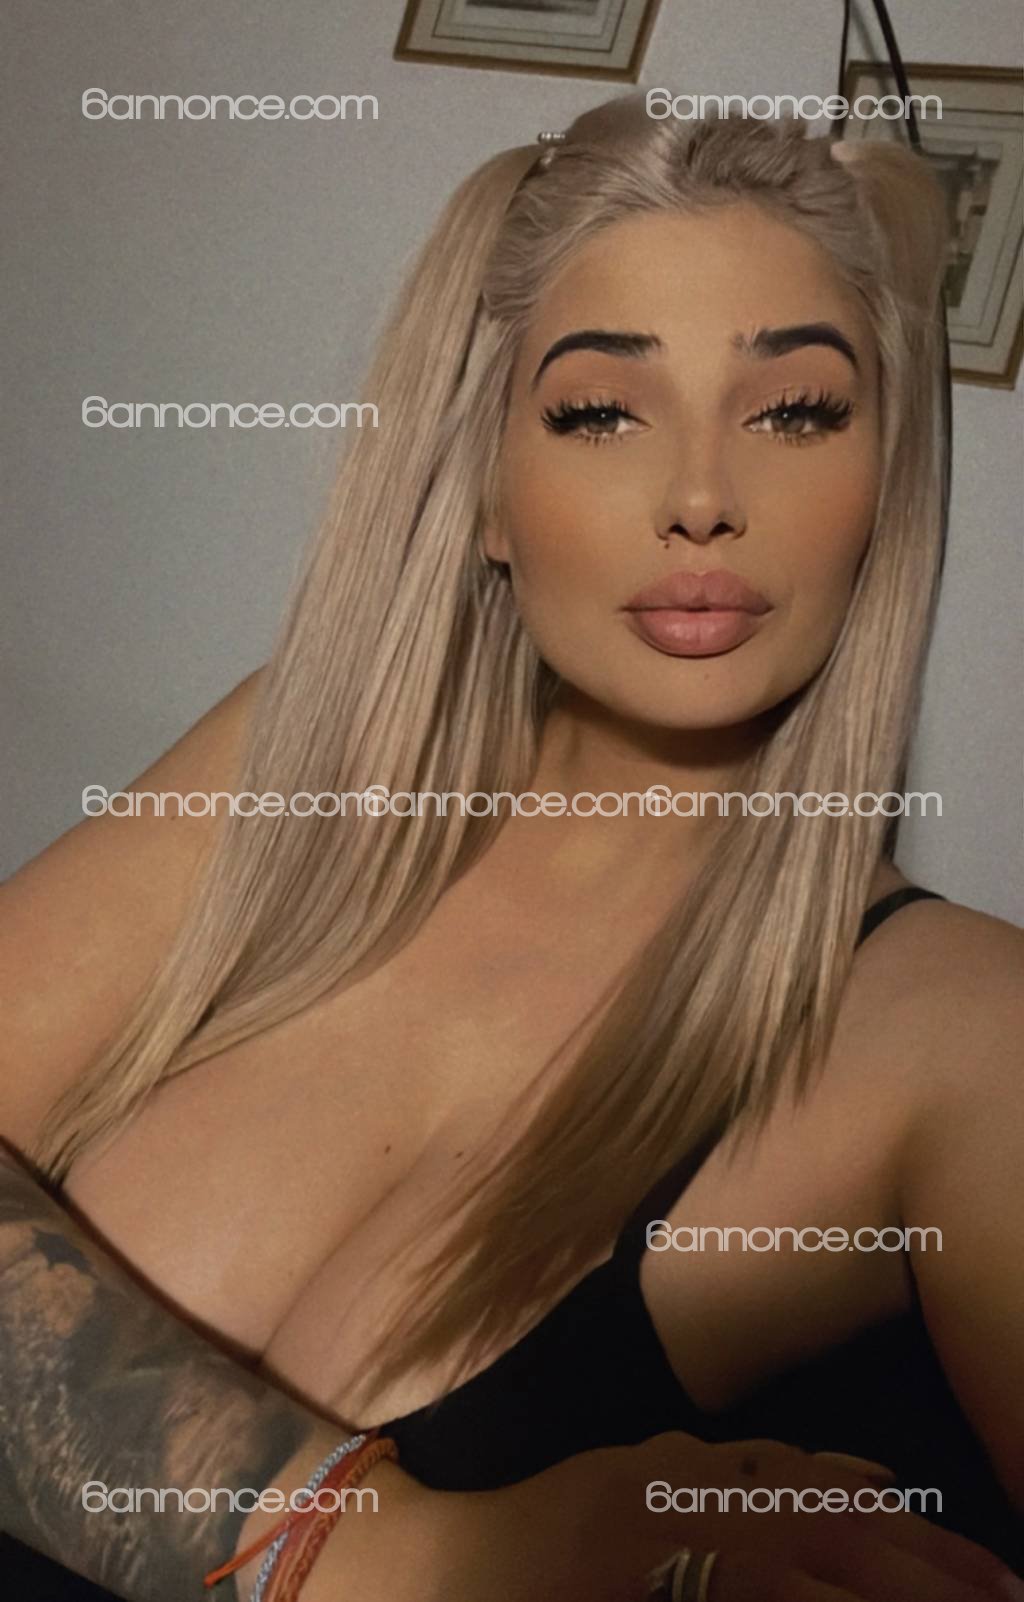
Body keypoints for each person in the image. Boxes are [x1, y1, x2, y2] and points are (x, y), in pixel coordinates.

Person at [1, 94, 1021, 1602]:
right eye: (601, 411)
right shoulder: (299, 765)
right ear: (486, 487)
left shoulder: (963, 1030)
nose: (701, 498)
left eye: (796, 411)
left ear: (887, 489)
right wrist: (402, 1548)